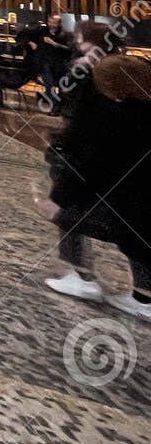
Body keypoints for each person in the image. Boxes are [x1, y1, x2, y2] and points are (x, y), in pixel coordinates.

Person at [43, 29, 151, 321]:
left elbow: (94, 166)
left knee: (67, 215)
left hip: (131, 216)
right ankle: (143, 295)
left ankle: (82, 278)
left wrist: (59, 199)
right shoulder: (139, 114)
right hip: (137, 213)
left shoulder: (117, 121)